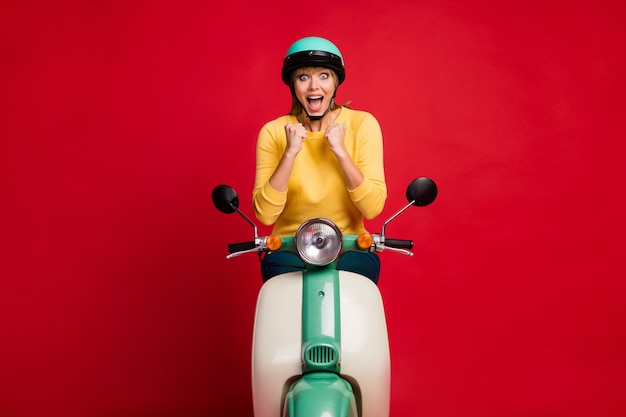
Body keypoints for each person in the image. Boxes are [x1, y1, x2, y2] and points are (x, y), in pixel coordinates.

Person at [253, 36, 387, 283]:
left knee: (356, 297)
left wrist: (341, 153)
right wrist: (290, 153)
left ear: (335, 83)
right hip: (287, 247)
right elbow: (266, 215)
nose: (314, 86)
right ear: (293, 85)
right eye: (303, 77)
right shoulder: (274, 132)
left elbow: (373, 207)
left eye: (323, 75)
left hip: (349, 246)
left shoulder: (362, 124)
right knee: (281, 305)